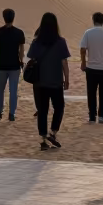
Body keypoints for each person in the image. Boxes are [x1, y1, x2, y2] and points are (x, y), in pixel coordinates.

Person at [27, 12, 70, 150]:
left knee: (42, 110)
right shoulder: (61, 41)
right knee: (59, 107)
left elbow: (31, 59)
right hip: (56, 81)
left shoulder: (36, 42)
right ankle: (53, 131)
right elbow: (64, 62)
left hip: (39, 82)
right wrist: (67, 79)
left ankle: (43, 139)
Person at [79, 12, 103, 124]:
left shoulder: (88, 33)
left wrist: (83, 62)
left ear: (93, 20)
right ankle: (101, 116)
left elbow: (83, 49)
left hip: (91, 67)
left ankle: (91, 116)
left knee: (91, 92)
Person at [0, 8, 25, 121]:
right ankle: (11, 113)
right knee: (13, 90)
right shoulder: (19, 33)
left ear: (4, 18)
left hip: (1, 65)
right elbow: (21, 51)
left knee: (0, 89)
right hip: (14, 65)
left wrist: (1, 56)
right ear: (13, 18)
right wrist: (20, 60)